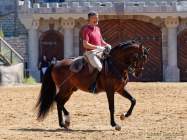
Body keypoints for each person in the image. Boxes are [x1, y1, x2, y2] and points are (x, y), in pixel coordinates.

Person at [82, 11, 112, 93]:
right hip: (91, 53)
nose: (97, 19)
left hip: (100, 51)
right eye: (94, 18)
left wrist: (107, 45)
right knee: (100, 67)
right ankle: (93, 85)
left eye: (97, 17)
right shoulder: (86, 29)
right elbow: (85, 44)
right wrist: (97, 47)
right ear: (89, 20)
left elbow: (101, 41)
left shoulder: (98, 29)